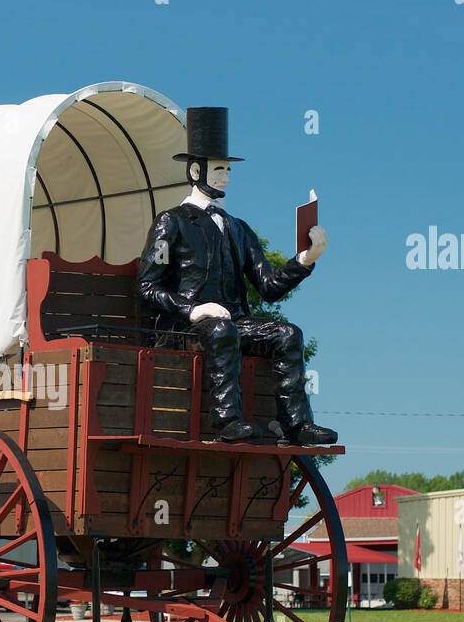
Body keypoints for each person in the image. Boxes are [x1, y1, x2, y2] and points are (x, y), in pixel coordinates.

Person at [137, 107, 338, 445]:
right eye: (219, 170)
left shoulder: (238, 229)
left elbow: (269, 287)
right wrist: (192, 309)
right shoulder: (170, 222)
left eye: (228, 170)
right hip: (184, 327)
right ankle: (227, 420)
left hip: (231, 325)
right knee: (220, 327)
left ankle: (296, 423)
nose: (226, 177)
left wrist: (305, 259)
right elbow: (147, 285)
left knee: (288, 333)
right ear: (196, 170)